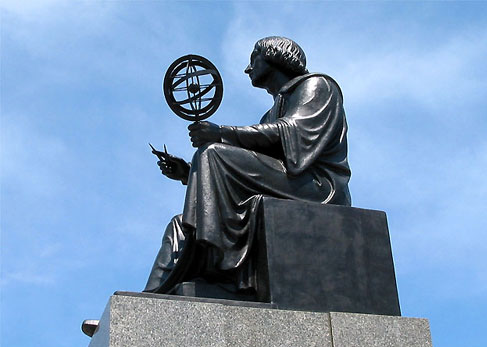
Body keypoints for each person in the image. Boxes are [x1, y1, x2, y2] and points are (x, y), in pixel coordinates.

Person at [143, 36, 351, 298]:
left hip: (317, 188)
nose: (248, 67)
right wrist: (188, 173)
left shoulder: (317, 86)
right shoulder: (272, 112)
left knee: (213, 154)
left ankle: (221, 271)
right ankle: (147, 302)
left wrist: (221, 133)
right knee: (180, 227)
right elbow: (248, 163)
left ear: (274, 57)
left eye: (254, 59)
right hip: (286, 183)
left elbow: (292, 132)